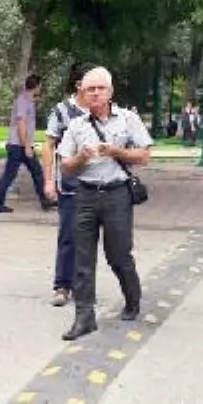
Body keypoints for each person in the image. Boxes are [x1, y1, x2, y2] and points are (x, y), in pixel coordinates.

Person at [58, 67, 152, 341]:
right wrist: (82, 157)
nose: (95, 93)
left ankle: (132, 298)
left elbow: (144, 155)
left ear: (110, 92)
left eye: (100, 88)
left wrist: (116, 151)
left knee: (119, 254)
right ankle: (84, 317)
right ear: (83, 94)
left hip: (117, 194)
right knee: (83, 259)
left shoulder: (127, 119)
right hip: (86, 194)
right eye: (90, 89)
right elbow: (66, 167)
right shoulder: (77, 126)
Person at [41, 62, 95, 308]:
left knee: (92, 238)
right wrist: (49, 180)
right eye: (92, 85)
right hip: (71, 185)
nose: (97, 91)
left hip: (99, 184)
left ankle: (84, 286)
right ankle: (62, 284)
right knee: (68, 236)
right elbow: (48, 145)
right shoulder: (62, 111)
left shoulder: (103, 111)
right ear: (79, 85)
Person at [0, 74, 51, 213]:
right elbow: (21, 123)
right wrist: (26, 146)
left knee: (36, 172)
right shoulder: (23, 100)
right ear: (36, 86)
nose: (40, 88)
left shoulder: (29, 100)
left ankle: (44, 200)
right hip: (18, 145)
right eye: (40, 85)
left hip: (22, 145)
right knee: (10, 174)